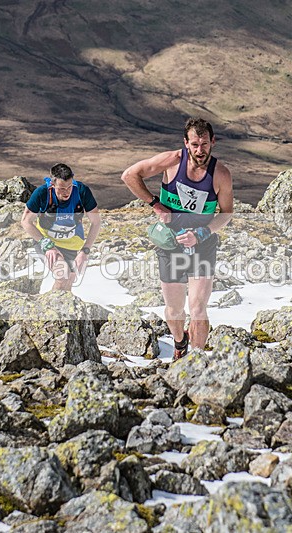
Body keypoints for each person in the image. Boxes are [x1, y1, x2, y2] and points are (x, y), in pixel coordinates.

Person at [121, 117, 234, 359]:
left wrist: (202, 233)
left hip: (202, 247)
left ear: (213, 142)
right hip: (170, 245)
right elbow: (129, 175)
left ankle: (196, 361)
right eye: (194, 144)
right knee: (174, 309)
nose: (199, 150)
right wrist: (155, 204)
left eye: (204, 144)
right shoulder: (172, 162)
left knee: (197, 308)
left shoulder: (220, 174)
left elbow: (226, 214)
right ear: (185, 143)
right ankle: (180, 342)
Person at [21, 163, 101, 291]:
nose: (67, 192)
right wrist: (46, 245)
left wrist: (85, 251)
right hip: (47, 242)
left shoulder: (81, 191)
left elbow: (96, 222)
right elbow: (25, 221)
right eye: (62, 188)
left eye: (69, 187)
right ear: (52, 184)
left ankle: (61, 309)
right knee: (62, 275)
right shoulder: (42, 193)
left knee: (70, 278)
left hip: (71, 245)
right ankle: (51, 308)